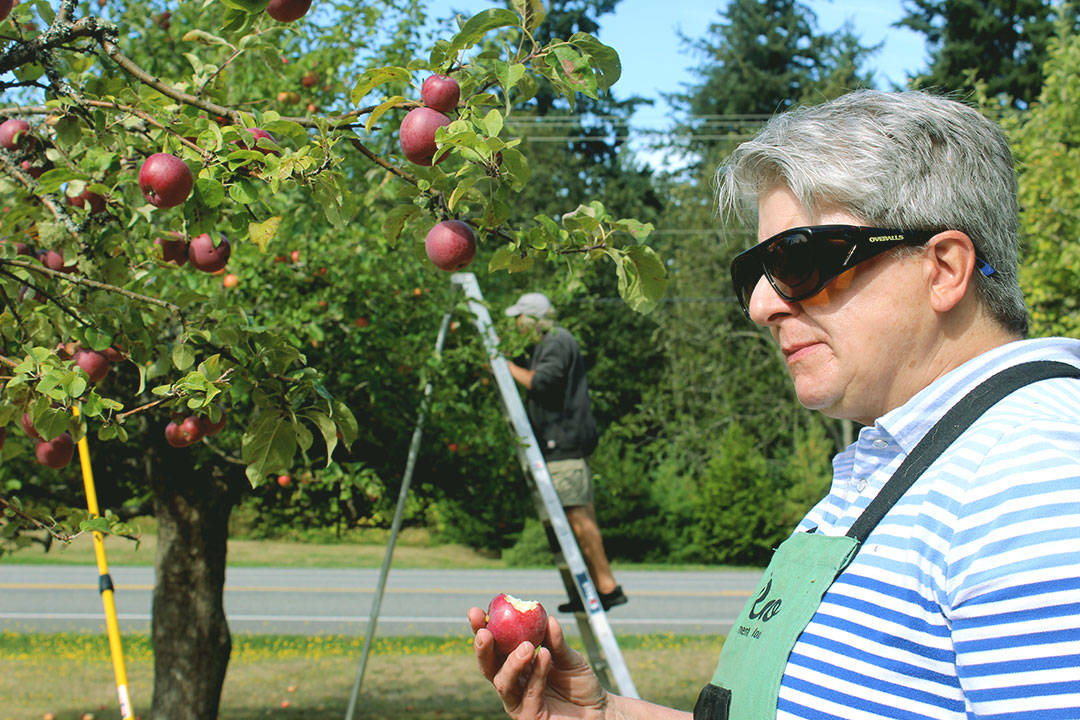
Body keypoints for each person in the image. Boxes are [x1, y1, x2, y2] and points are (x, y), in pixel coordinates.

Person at [468, 89, 1080, 720]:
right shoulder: (904, 462)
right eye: (754, 274)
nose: (762, 306)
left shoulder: (1032, 475)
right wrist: (604, 716)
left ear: (944, 268)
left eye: (799, 260)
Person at [503, 291, 628, 613]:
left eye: (520, 318)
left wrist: (502, 367)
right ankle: (585, 589)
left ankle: (606, 587)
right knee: (569, 520)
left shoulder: (556, 342)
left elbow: (544, 382)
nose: (517, 324)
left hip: (564, 445)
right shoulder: (546, 345)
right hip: (556, 446)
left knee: (576, 517)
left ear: (533, 319)